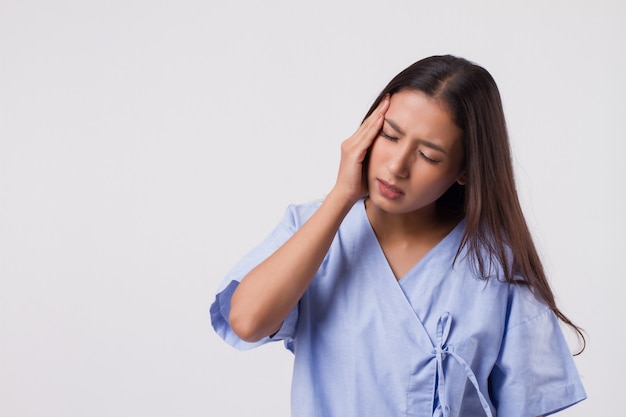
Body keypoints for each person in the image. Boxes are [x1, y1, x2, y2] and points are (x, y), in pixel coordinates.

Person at [210, 54, 587, 417]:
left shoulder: (496, 267)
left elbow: (527, 405)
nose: (396, 166)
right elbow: (248, 321)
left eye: (429, 155)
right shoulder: (315, 228)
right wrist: (342, 197)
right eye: (390, 135)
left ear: (465, 170)